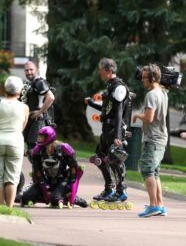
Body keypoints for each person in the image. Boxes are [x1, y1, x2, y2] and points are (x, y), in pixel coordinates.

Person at [85, 58, 132, 202]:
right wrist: (92, 103)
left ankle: (121, 191)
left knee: (114, 159)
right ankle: (109, 188)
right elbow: (107, 110)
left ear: (109, 71)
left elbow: (118, 113)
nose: (99, 72)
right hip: (107, 129)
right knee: (99, 158)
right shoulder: (110, 86)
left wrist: (118, 135)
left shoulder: (119, 87)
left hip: (114, 130)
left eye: (101, 70)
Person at [0, 76, 29, 208]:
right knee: (12, 177)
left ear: (5, 89)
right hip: (15, 142)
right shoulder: (24, 107)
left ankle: (0, 205)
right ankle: (9, 208)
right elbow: (22, 126)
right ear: (19, 91)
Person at [21, 126, 88, 208]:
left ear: (49, 137)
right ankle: (53, 196)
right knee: (25, 198)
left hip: (63, 180)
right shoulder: (37, 150)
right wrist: (45, 188)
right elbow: (38, 172)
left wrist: (70, 188)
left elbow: (74, 169)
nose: (38, 138)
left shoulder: (64, 148)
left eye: (41, 136)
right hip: (47, 180)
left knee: (55, 200)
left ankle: (74, 199)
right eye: (39, 136)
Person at [132, 64, 168, 217]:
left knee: (147, 169)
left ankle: (153, 205)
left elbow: (149, 118)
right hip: (160, 138)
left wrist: (137, 115)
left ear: (152, 78)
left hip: (153, 139)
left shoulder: (152, 95)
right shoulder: (163, 92)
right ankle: (159, 205)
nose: (142, 80)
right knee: (155, 172)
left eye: (144, 77)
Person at [21, 61, 55, 158]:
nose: (29, 72)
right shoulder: (30, 83)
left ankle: (40, 172)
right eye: (26, 70)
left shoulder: (40, 82)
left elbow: (51, 97)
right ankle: (38, 172)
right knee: (32, 149)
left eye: (31, 69)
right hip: (32, 121)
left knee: (34, 150)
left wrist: (40, 112)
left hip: (39, 121)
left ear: (37, 70)